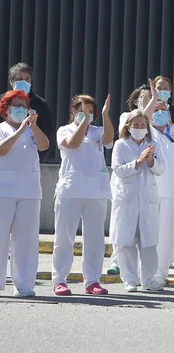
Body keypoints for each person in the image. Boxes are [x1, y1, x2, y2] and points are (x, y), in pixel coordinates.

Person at [52, 94, 114, 296]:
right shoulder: (65, 130)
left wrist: (105, 115)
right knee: (64, 237)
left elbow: (109, 140)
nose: (85, 112)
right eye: (80, 109)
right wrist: (84, 121)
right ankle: (60, 279)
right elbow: (73, 143)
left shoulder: (97, 131)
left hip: (96, 191)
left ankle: (92, 281)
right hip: (70, 190)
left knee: (94, 238)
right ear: (73, 111)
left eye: (89, 110)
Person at [0, 90, 49, 297]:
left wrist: (33, 126)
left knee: (26, 239)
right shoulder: (2, 129)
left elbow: (45, 145)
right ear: (6, 109)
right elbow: (2, 150)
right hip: (4, 189)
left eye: (23, 105)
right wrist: (19, 130)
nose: (20, 109)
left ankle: (25, 284)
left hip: (29, 190)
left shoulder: (31, 129)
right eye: (16, 105)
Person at [110, 110, 165, 292]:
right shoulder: (120, 145)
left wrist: (150, 161)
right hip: (126, 198)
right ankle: (129, 279)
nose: (139, 128)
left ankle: (149, 280)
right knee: (126, 241)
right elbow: (118, 170)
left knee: (148, 242)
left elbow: (161, 168)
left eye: (143, 125)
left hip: (147, 199)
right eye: (135, 125)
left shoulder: (154, 144)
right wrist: (137, 162)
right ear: (128, 127)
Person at [145, 79, 174, 286]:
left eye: (163, 108)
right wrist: (154, 99)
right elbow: (143, 117)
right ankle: (146, 273)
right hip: (152, 189)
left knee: (166, 235)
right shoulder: (146, 132)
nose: (159, 112)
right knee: (149, 233)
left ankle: (160, 274)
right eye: (156, 109)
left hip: (172, 190)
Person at [3, 63, 54, 160]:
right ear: (11, 81)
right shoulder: (2, 101)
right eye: (19, 79)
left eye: (27, 79)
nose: (24, 82)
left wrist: (37, 158)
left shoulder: (40, 104)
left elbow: (48, 135)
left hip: (29, 160)